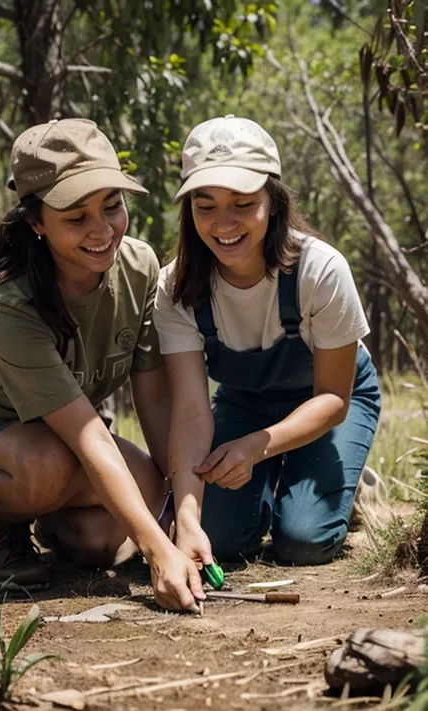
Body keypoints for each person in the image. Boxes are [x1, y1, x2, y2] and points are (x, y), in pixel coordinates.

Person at [0, 118, 205, 613]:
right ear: (36, 222)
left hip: (81, 435)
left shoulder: (139, 267)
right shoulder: (6, 304)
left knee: (121, 521)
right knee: (47, 464)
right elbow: (88, 435)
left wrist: (176, 511)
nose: (101, 231)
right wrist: (158, 551)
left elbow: (153, 398)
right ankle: (3, 521)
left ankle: (52, 516)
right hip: (0, 438)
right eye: (75, 217)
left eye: (112, 206)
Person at [153, 115, 381, 569]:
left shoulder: (320, 271)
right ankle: (276, 488)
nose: (224, 223)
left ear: (272, 202)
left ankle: (347, 488)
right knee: (219, 541)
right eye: (205, 205)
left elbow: (334, 397)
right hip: (245, 404)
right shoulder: (174, 287)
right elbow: (192, 410)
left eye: (242, 203)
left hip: (334, 399)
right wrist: (188, 518)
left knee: (302, 542)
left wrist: (255, 448)